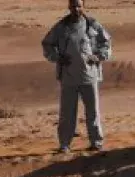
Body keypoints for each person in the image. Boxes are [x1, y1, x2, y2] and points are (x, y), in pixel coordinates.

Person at [41, 0, 111, 153]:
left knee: (93, 112)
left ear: (84, 7)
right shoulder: (61, 27)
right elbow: (47, 44)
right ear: (69, 7)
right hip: (68, 78)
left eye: (79, 6)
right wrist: (57, 57)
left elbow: (106, 42)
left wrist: (98, 56)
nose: (76, 9)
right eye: (73, 6)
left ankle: (96, 142)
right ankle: (64, 144)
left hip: (89, 76)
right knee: (67, 113)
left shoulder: (92, 25)